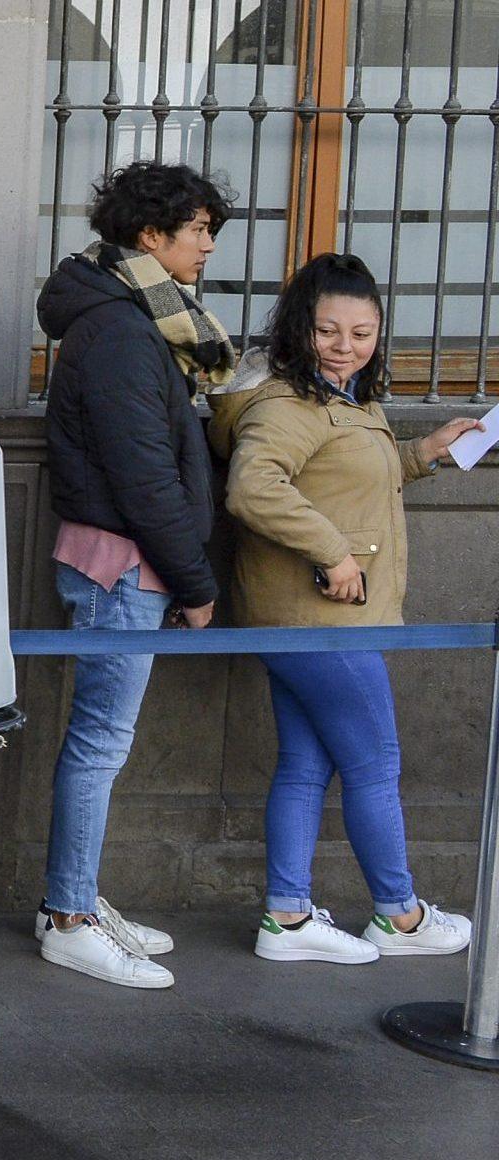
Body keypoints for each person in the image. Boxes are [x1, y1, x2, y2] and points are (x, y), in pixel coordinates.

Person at [211, 253, 481, 964]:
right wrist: (333, 553)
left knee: (306, 764)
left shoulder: (343, 398)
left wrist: (423, 453)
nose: (345, 346)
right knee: (375, 763)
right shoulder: (288, 401)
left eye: (362, 333)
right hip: (322, 619)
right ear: (299, 327)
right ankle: (400, 914)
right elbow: (254, 486)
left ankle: (287, 916)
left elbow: (342, 479)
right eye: (328, 330)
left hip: (304, 619)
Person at [34, 161, 237, 989]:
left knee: (99, 740)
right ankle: (68, 916)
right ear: (151, 236)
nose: (208, 246)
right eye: (198, 230)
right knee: (99, 742)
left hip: (122, 557)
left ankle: (75, 896)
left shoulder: (130, 315)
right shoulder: (121, 329)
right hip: (124, 563)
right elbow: (144, 475)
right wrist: (196, 583)